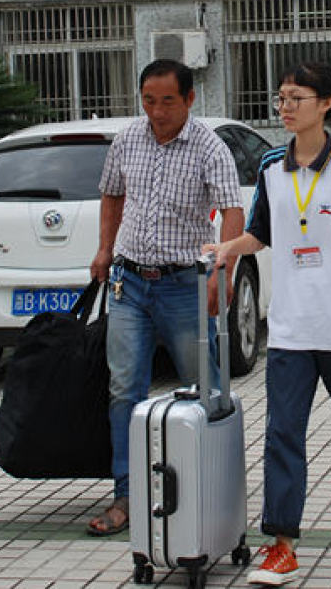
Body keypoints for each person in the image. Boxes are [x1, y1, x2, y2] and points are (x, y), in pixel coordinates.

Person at [205, 62, 331, 586]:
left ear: (326, 104)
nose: (285, 107)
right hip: (290, 328)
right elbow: (261, 234)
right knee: (282, 433)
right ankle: (281, 544)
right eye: (281, 99)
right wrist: (229, 247)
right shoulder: (270, 166)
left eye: (296, 98)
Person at [86, 59, 244, 537]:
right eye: (148, 100)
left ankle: (216, 481)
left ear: (190, 99)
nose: (156, 111)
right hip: (129, 283)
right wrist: (104, 248)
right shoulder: (128, 139)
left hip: (183, 285)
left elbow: (233, 214)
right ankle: (128, 494)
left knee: (206, 386)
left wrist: (223, 271)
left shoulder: (209, 147)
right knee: (123, 389)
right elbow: (112, 195)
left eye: (167, 101)